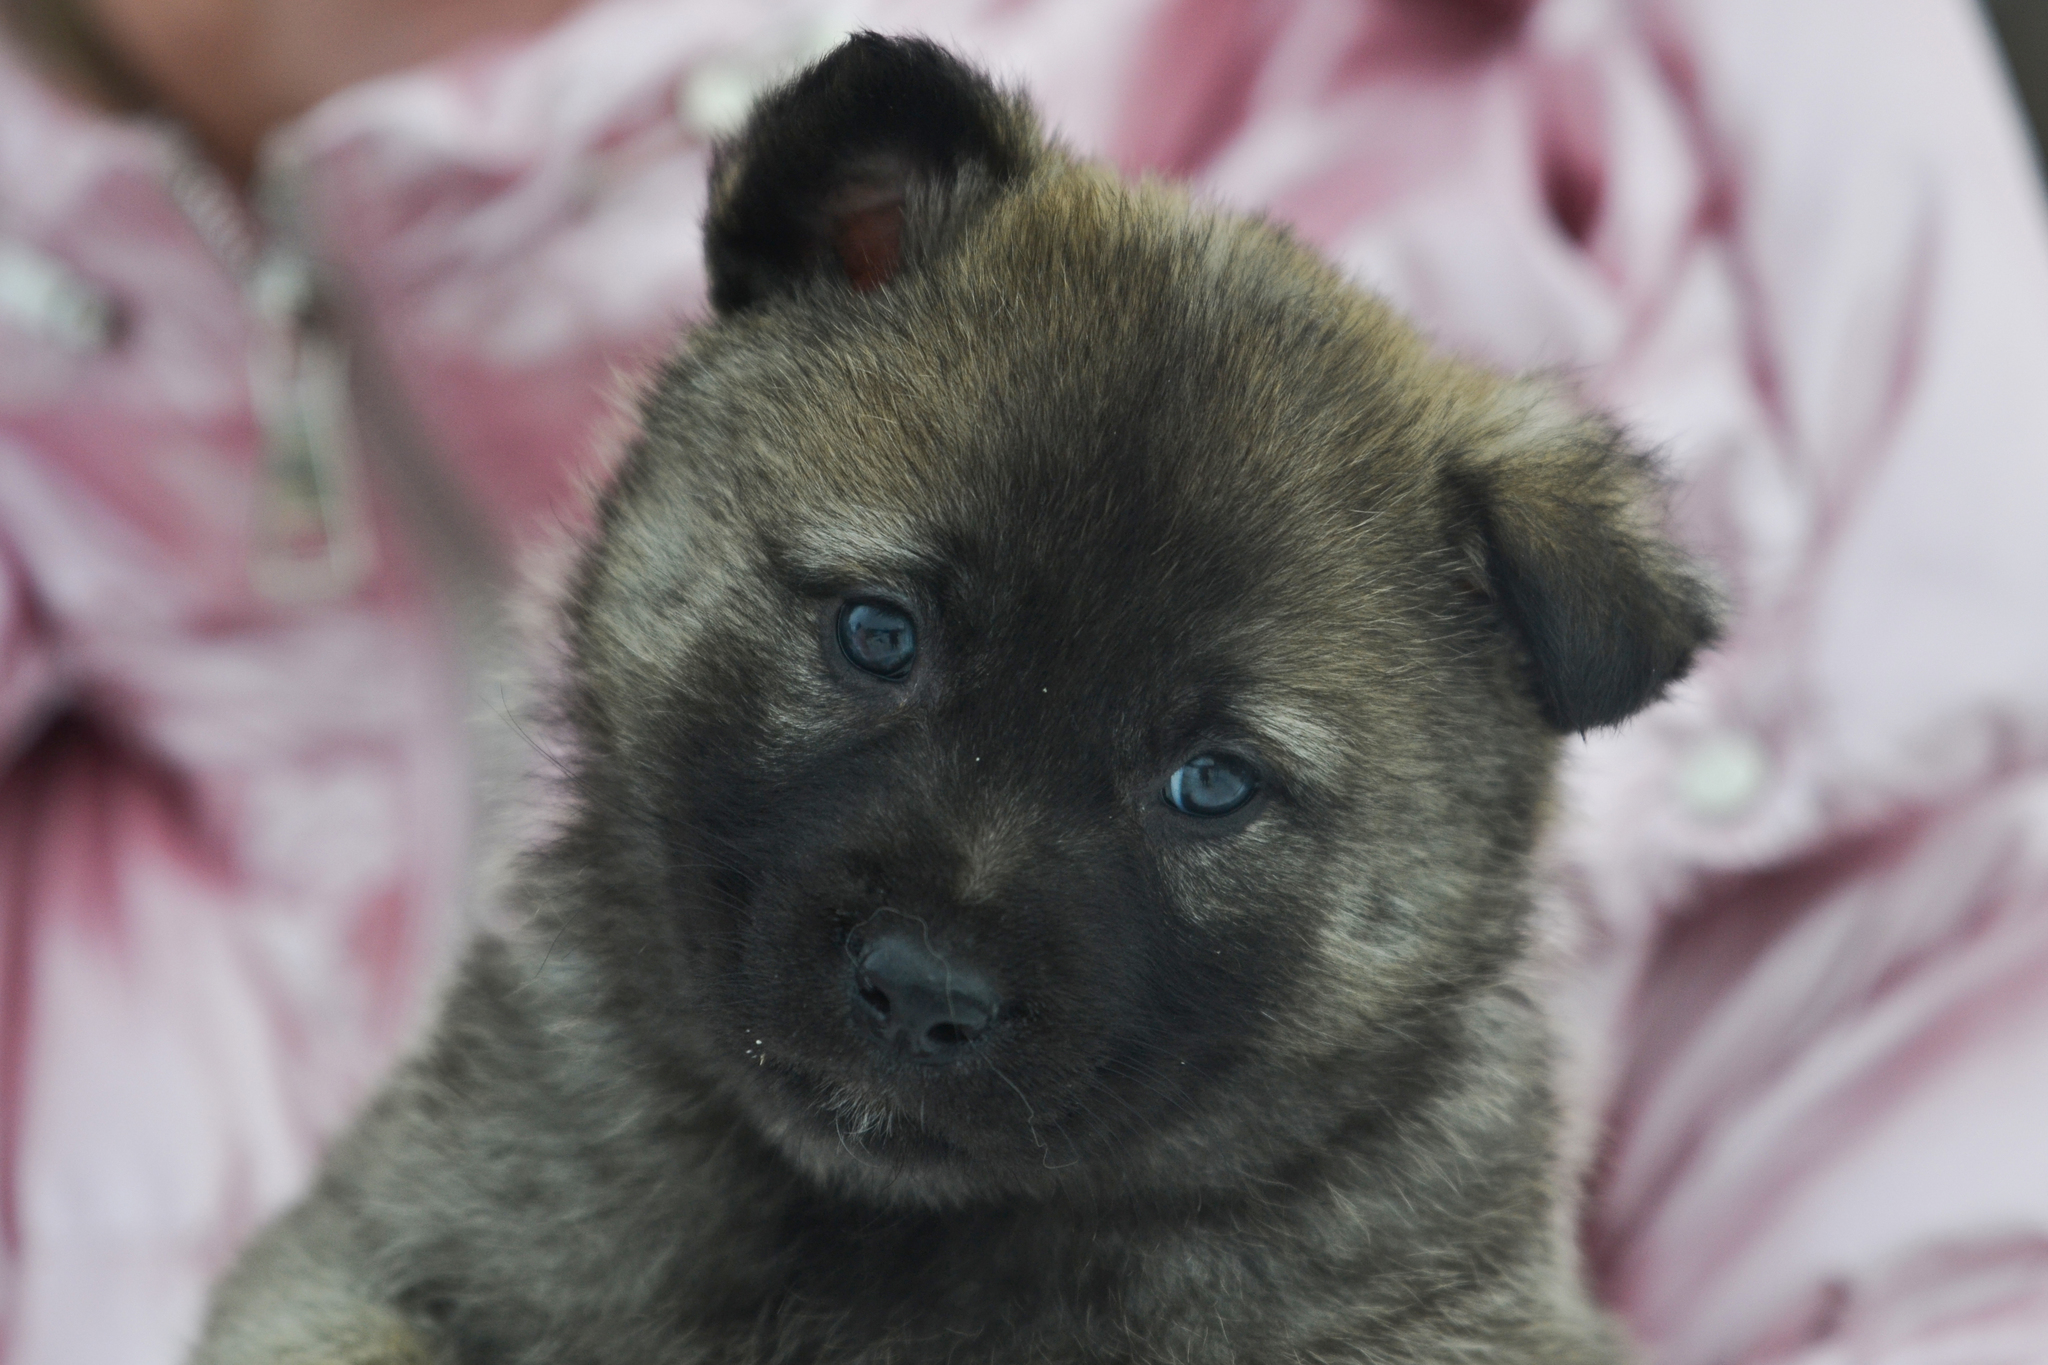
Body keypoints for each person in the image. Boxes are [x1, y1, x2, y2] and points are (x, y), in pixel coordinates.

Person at [3, 1, 2045, 1363]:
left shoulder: (1761, 276)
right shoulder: (582, 1021)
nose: (941, 934)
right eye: (873, 642)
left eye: (1210, 789)